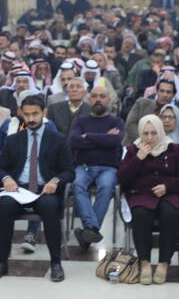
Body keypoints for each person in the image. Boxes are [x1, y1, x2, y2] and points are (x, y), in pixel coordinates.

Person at [0, 94, 74, 282]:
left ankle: (56, 263)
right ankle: (2, 261)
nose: (31, 119)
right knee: (5, 205)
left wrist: (56, 181)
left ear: (44, 113)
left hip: (45, 189)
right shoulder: (13, 140)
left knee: (50, 207)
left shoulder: (58, 139)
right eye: (27, 115)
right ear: (21, 113)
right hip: (19, 189)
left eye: (35, 114)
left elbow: (69, 171)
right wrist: (7, 178)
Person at [118, 114, 179, 285]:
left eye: (154, 133)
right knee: (140, 214)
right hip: (141, 194)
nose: (150, 138)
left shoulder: (173, 149)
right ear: (140, 133)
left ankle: (163, 263)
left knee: (171, 214)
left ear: (160, 132)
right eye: (145, 133)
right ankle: (144, 263)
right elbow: (122, 179)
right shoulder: (132, 150)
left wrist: (168, 186)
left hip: (169, 194)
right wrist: (138, 159)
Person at [70, 86, 124, 249]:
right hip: (84, 166)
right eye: (94, 96)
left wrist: (88, 136)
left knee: (106, 187)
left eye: (102, 96)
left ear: (109, 100)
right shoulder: (80, 120)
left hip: (108, 168)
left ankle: (89, 230)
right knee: (77, 184)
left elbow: (115, 141)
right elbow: (74, 142)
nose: (98, 99)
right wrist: (105, 138)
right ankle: (92, 228)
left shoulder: (117, 122)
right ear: (89, 100)